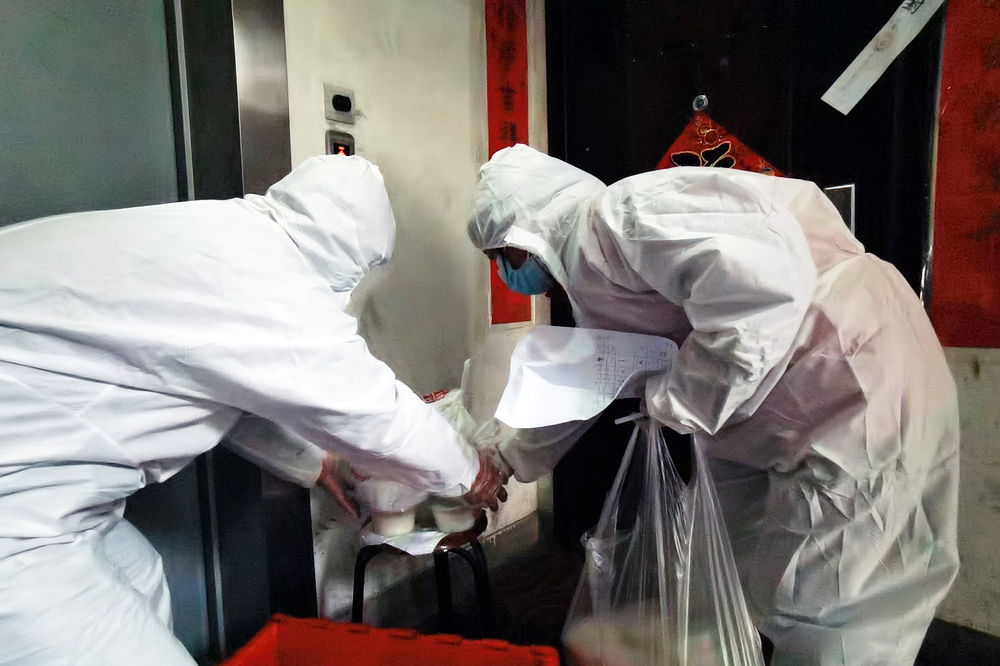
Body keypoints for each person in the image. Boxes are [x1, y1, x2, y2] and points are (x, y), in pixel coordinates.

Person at [0, 154, 507, 665]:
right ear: (350, 253)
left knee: (141, 577)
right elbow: (377, 411)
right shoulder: (264, 279)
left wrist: (317, 464)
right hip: (18, 515)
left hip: (54, 491)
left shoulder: (218, 239)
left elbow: (231, 403)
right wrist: (470, 472)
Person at [467, 143, 959, 666]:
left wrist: (673, 397)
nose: (503, 271)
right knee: (743, 569)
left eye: (500, 255)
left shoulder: (622, 217)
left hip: (848, 379)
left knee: (837, 601)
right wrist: (504, 458)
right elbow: (587, 383)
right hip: (802, 404)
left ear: (524, 230)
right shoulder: (592, 269)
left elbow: (763, 294)